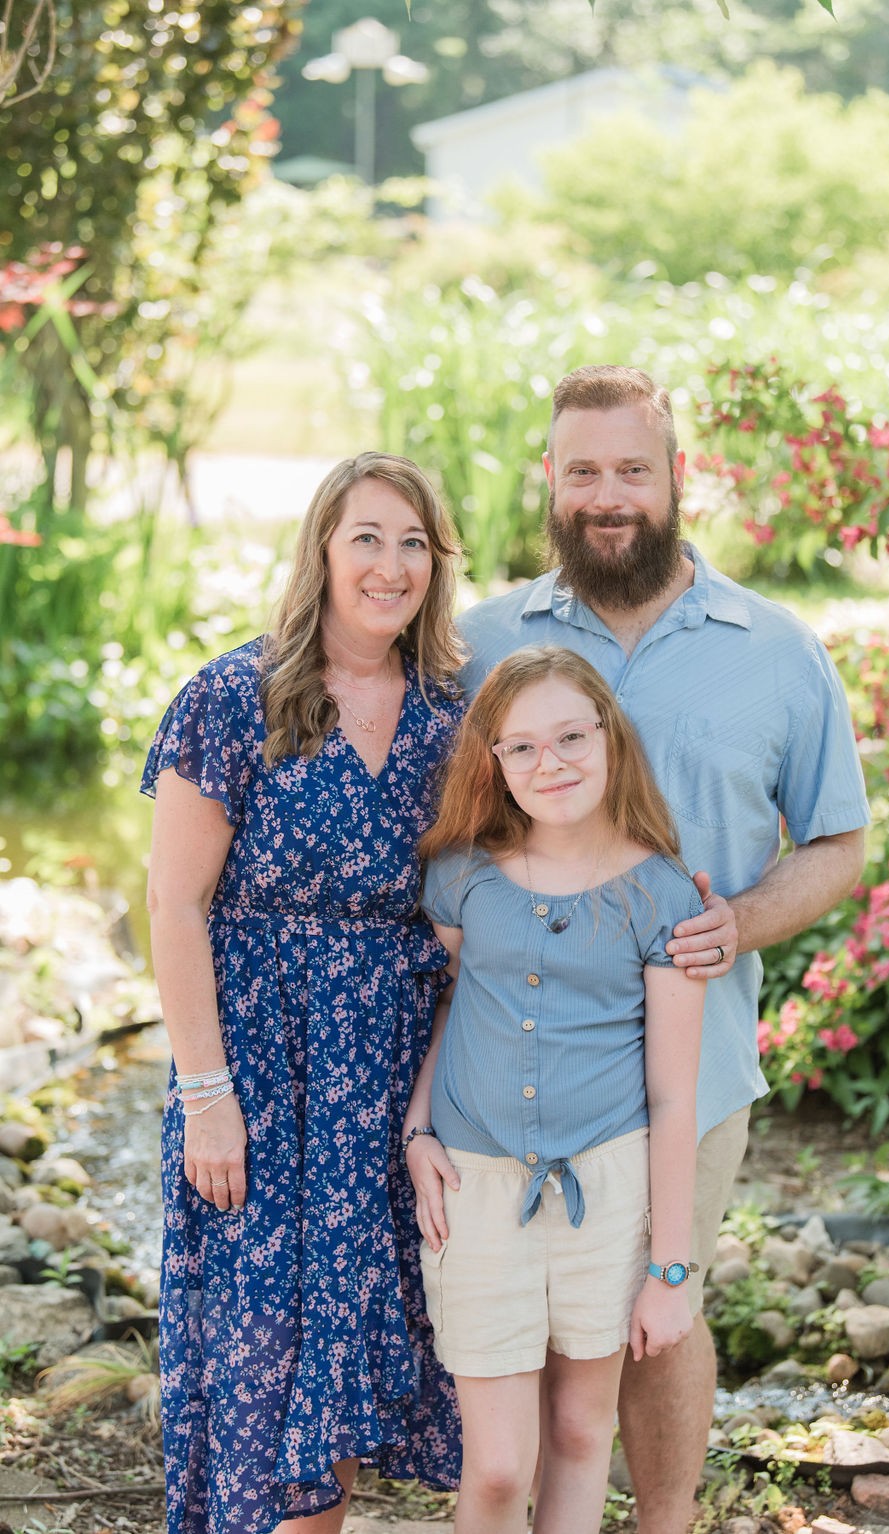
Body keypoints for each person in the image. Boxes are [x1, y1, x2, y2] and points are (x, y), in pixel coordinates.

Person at [456, 365, 871, 1531]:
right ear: (549, 481)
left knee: (659, 1310)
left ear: (676, 477)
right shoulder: (483, 643)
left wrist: (735, 920)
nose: (607, 494)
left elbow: (838, 842)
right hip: (510, 1064)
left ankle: (667, 1523)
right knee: (527, 1334)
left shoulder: (775, 650)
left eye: (631, 468)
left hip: (692, 1064)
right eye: (581, 470)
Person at [142, 453, 464, 1534]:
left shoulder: (447, 717)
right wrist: (205, 1093)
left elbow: (461, 911)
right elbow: (175, 904)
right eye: (366, 537)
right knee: (256, 1361)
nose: (390, 564)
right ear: (322, 549)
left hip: (378, 1077)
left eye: (413, 541)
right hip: (256, 1072)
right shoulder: (237, 696)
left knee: (340, 1373)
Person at [402, 645, 707, 1534]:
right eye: (523, 747)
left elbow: (674, 1100)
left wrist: (669, 1271)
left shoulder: (660, 898)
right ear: (492, 761)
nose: (553, 763)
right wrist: (418, 1130)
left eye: (573, 736)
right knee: (497, 1467)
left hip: (605, 1196)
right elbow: (451, 1011)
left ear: (611, 738)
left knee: (580, 1431)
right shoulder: (463, 876)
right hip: (476, 1190)